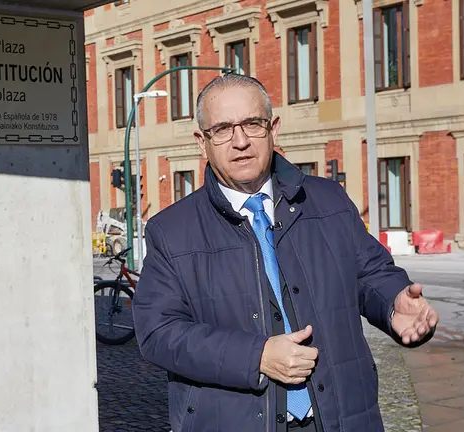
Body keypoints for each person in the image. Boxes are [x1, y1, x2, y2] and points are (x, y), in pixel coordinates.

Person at [131, 73, 439, 432]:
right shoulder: (171, 231)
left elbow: (371, 274)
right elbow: (158, 333)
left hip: (341, 417)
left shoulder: (329, 200)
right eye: (223, 129)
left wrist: (392, 303)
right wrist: (256, 356)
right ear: (202, 142)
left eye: (252, 124)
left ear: (273, 129)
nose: (241, 141)